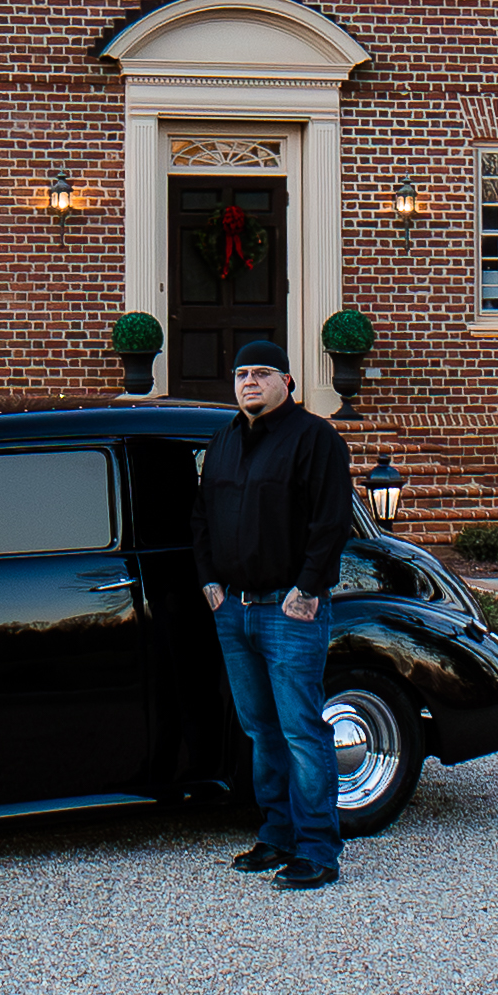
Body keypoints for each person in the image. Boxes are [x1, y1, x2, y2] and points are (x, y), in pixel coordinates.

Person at [193, 338, 356, 890]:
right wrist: (209, 580)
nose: (250, 383)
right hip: (234, 610)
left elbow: (331, 522)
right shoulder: (222, 441)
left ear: (288, 381)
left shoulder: (316, 439)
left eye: (263, 373)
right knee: (261, 731)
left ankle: (317, 849)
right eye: (242, 374)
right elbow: (201, 518)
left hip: (291, 613)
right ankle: (277, 836)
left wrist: (308, 589)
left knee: (302, 731)